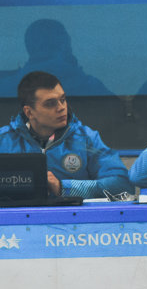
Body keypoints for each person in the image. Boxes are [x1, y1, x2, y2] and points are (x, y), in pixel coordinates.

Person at [0, 70, 134, 200]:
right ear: (29, 112)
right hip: (17, 220)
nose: (61, 108)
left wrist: (64, 187)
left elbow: (122, 185)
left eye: (63, 99)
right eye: (50, 104)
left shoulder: (86, 138)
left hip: (75, 220)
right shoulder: (3, 140)